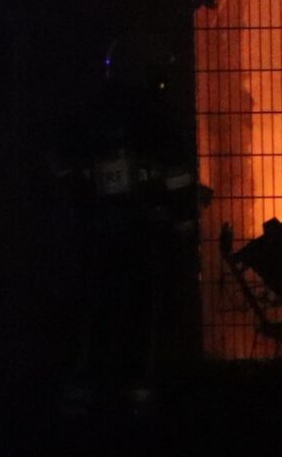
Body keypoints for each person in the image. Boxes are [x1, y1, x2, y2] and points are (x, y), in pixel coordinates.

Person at [52, 42, 203, 417]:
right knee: (143, 309)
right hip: (143, 232)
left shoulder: (86, 112)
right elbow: (178, 178)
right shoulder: (156, 117)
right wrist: (185, 223)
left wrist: (79, 202)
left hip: (94, 232)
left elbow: (62, 165)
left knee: (92, 307)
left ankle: (82, 390)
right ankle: (138, 392)